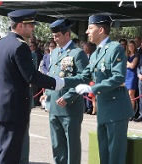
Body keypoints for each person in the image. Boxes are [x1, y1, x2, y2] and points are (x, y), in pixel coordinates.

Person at [0, 10, 64, 164]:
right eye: (30, 25)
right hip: (14, 106)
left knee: (1, 149)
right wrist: (57, 83)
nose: (33, 28)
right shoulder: (20, 46)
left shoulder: (0, 43)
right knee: (11, 152)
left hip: (1, 104)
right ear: (21, 26)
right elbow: (31, 76)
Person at [61, 15, 133, 164]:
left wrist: (93, 88)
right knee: (104, 153)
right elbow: (83, 77)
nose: (87, 32)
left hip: (116, 108)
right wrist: (60, 82)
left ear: (101, 30)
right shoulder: (96, 54)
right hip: (104, 109)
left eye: (90, 28)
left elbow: (118, 77)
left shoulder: (115, 49)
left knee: (115, 155)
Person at [41, 18, 89, 164]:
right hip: (54, 106)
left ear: (67, 34)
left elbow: (84, 78)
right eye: (54, 36)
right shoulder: (54, 53)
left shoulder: (77, 53)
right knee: (57, 144)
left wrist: (69, 97)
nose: (55, 39)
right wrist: (47, 94)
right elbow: (52, 76)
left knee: (71, 144)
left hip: (69, 107)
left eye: (57, 36)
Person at [125, 41, 139, 114]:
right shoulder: (126, 55)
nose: (131, 47)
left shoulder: (136, 55)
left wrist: (126, 62)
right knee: (126, 94)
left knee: (131, 94)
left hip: (132, 75)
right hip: (126, 75)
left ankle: (131, 112)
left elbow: (132, 65)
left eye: (132, 45)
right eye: (129, 46)